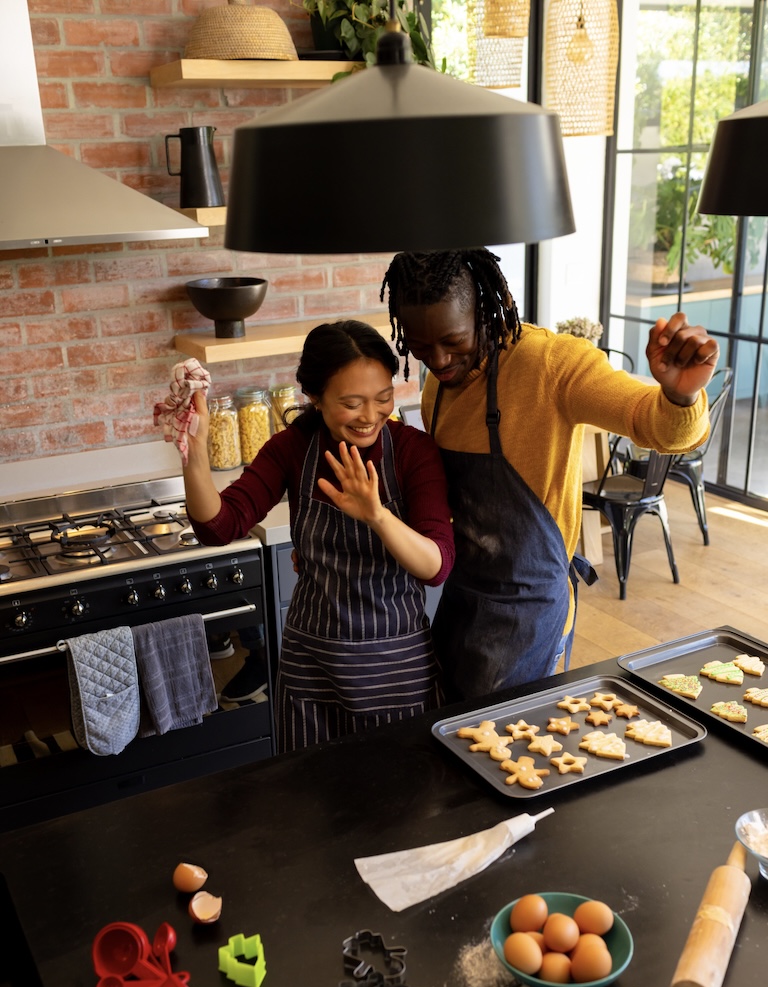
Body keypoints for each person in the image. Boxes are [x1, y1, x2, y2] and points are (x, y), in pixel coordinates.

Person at [380, 248, 716, 703]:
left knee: (503, 746)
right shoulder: (439, 382)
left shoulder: (552, 364)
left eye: (452, 342)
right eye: (420, 347)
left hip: (529, 608)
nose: (438, 360)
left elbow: (651, 423)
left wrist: (678, 396)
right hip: (463, 594)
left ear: (483, 311)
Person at [183, 319, 455, 752]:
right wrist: (194, 455)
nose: (371, 416)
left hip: (396, 671)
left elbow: (435, 566)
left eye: (383, 398)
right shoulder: (292, 449)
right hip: (312, 670)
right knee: (312, 807)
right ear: (314, 397)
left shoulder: (411, 452)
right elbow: (219, 525)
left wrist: (377, 515)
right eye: (352, 403)